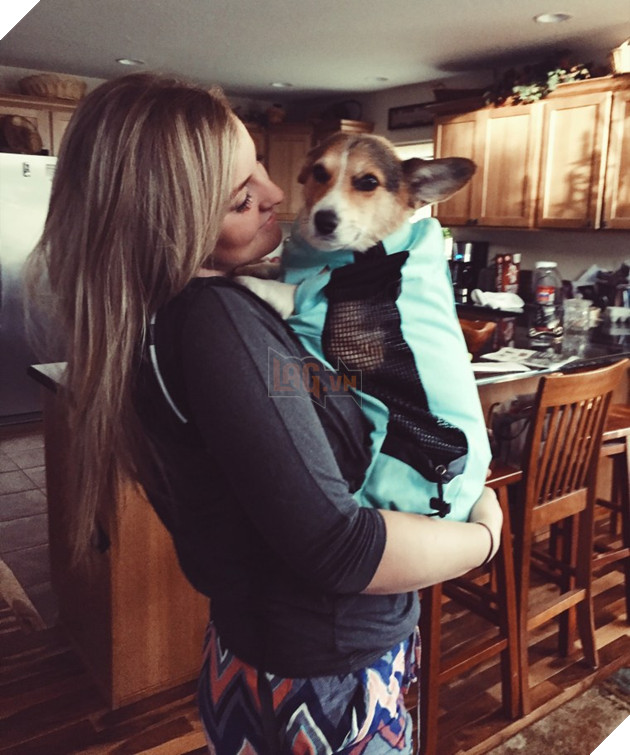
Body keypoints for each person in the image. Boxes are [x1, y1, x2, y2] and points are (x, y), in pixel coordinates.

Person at [26, 73, 502, 754]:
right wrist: (485, 537)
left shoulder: (185, 314)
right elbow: (342, 547)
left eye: (262, 169)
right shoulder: (218, 322)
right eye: (242, 194)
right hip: (321, 672)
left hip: (278, 650)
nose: (280, 193)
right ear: (171, 214)